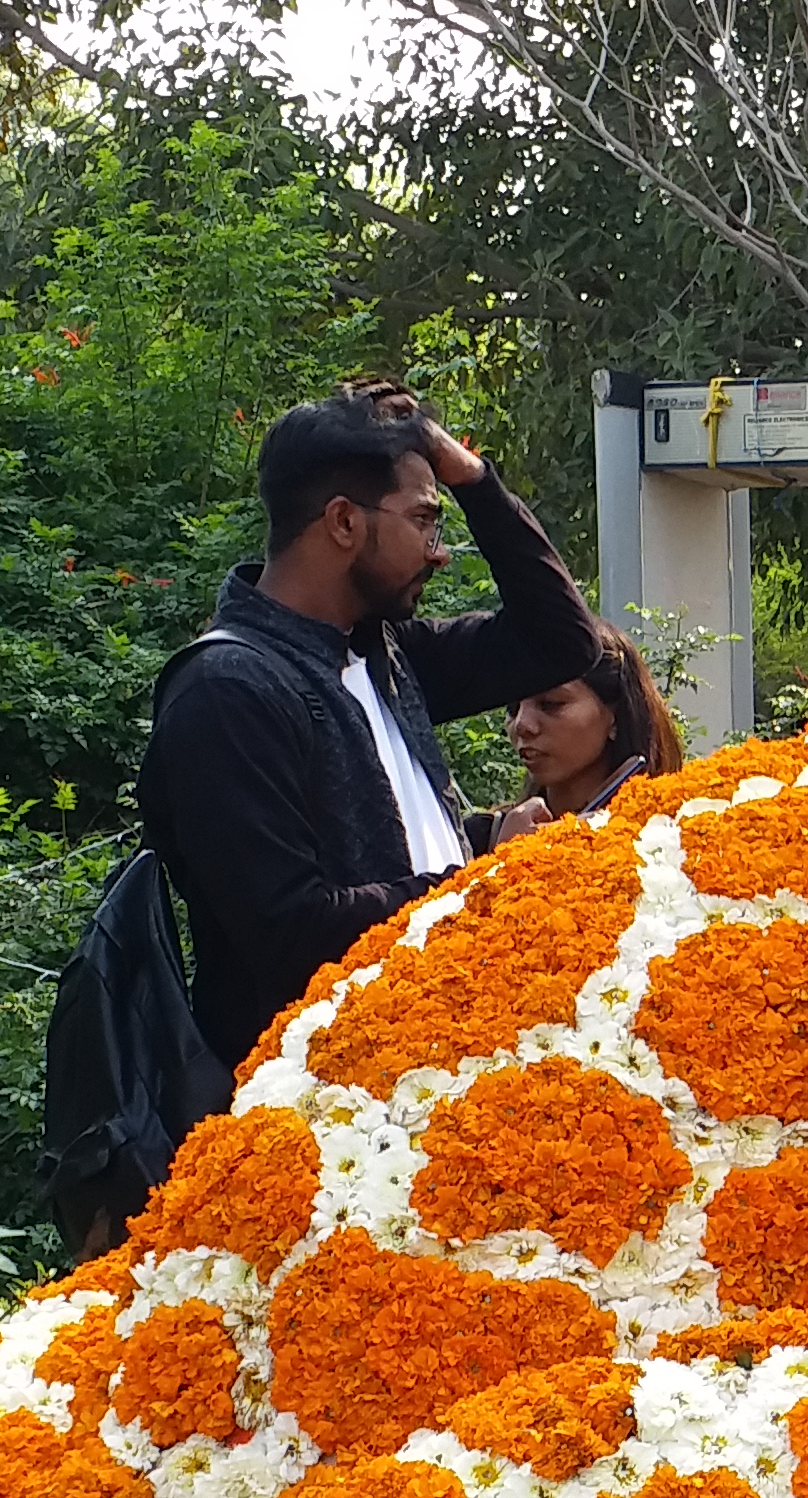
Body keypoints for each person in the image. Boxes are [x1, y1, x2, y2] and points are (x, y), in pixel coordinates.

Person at [139, 380, 601, 1071]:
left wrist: (473, 478)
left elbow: (564, 642)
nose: (439, 551)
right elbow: (293, 932)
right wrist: (483, 877)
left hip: (412, 1074)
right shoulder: (227, 692)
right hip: (314, 1115)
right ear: (344, 523)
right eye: (424, 520)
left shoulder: (384, 654)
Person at [504, 622, 686, 827]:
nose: (522, 724)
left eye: (550, 704)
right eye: (512, 708)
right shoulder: (476, 840)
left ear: (616, 714)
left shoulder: (679, 835)